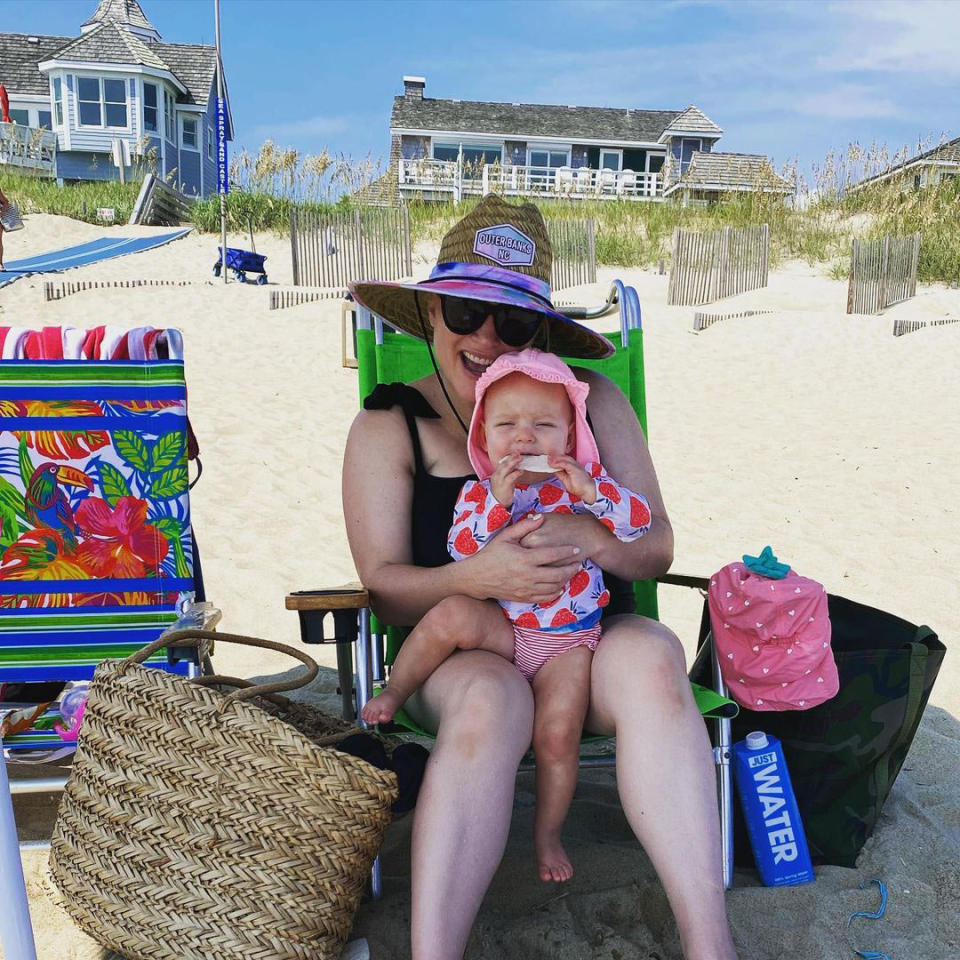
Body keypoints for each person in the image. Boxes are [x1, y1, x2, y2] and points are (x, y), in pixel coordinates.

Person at [344, 194, 738, 960]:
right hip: (463, 651)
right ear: (429, 315)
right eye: (464, 311)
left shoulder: (592, 406)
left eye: (515, 323)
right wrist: (479, 571)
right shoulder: (388, 424)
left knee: (656, 654)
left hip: (585, 640)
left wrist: (593, 535)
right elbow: (383, 583)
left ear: (543, 334)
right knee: (491, 697)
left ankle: (708, 944)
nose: (487, 337)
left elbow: (653, 549)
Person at [361, 347, 652, 882]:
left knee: (558, 735)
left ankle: (547, 837)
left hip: (568, 641)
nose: (524, 438)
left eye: (542, 425)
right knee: (450, 613)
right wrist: (496, 500)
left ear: (567, 438)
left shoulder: (584, 488)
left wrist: (596, 494)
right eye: (506, 426)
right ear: (484, 439)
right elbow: (459, 546)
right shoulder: (480, 493)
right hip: (507, 630)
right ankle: (395, 691)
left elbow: (638, 524)